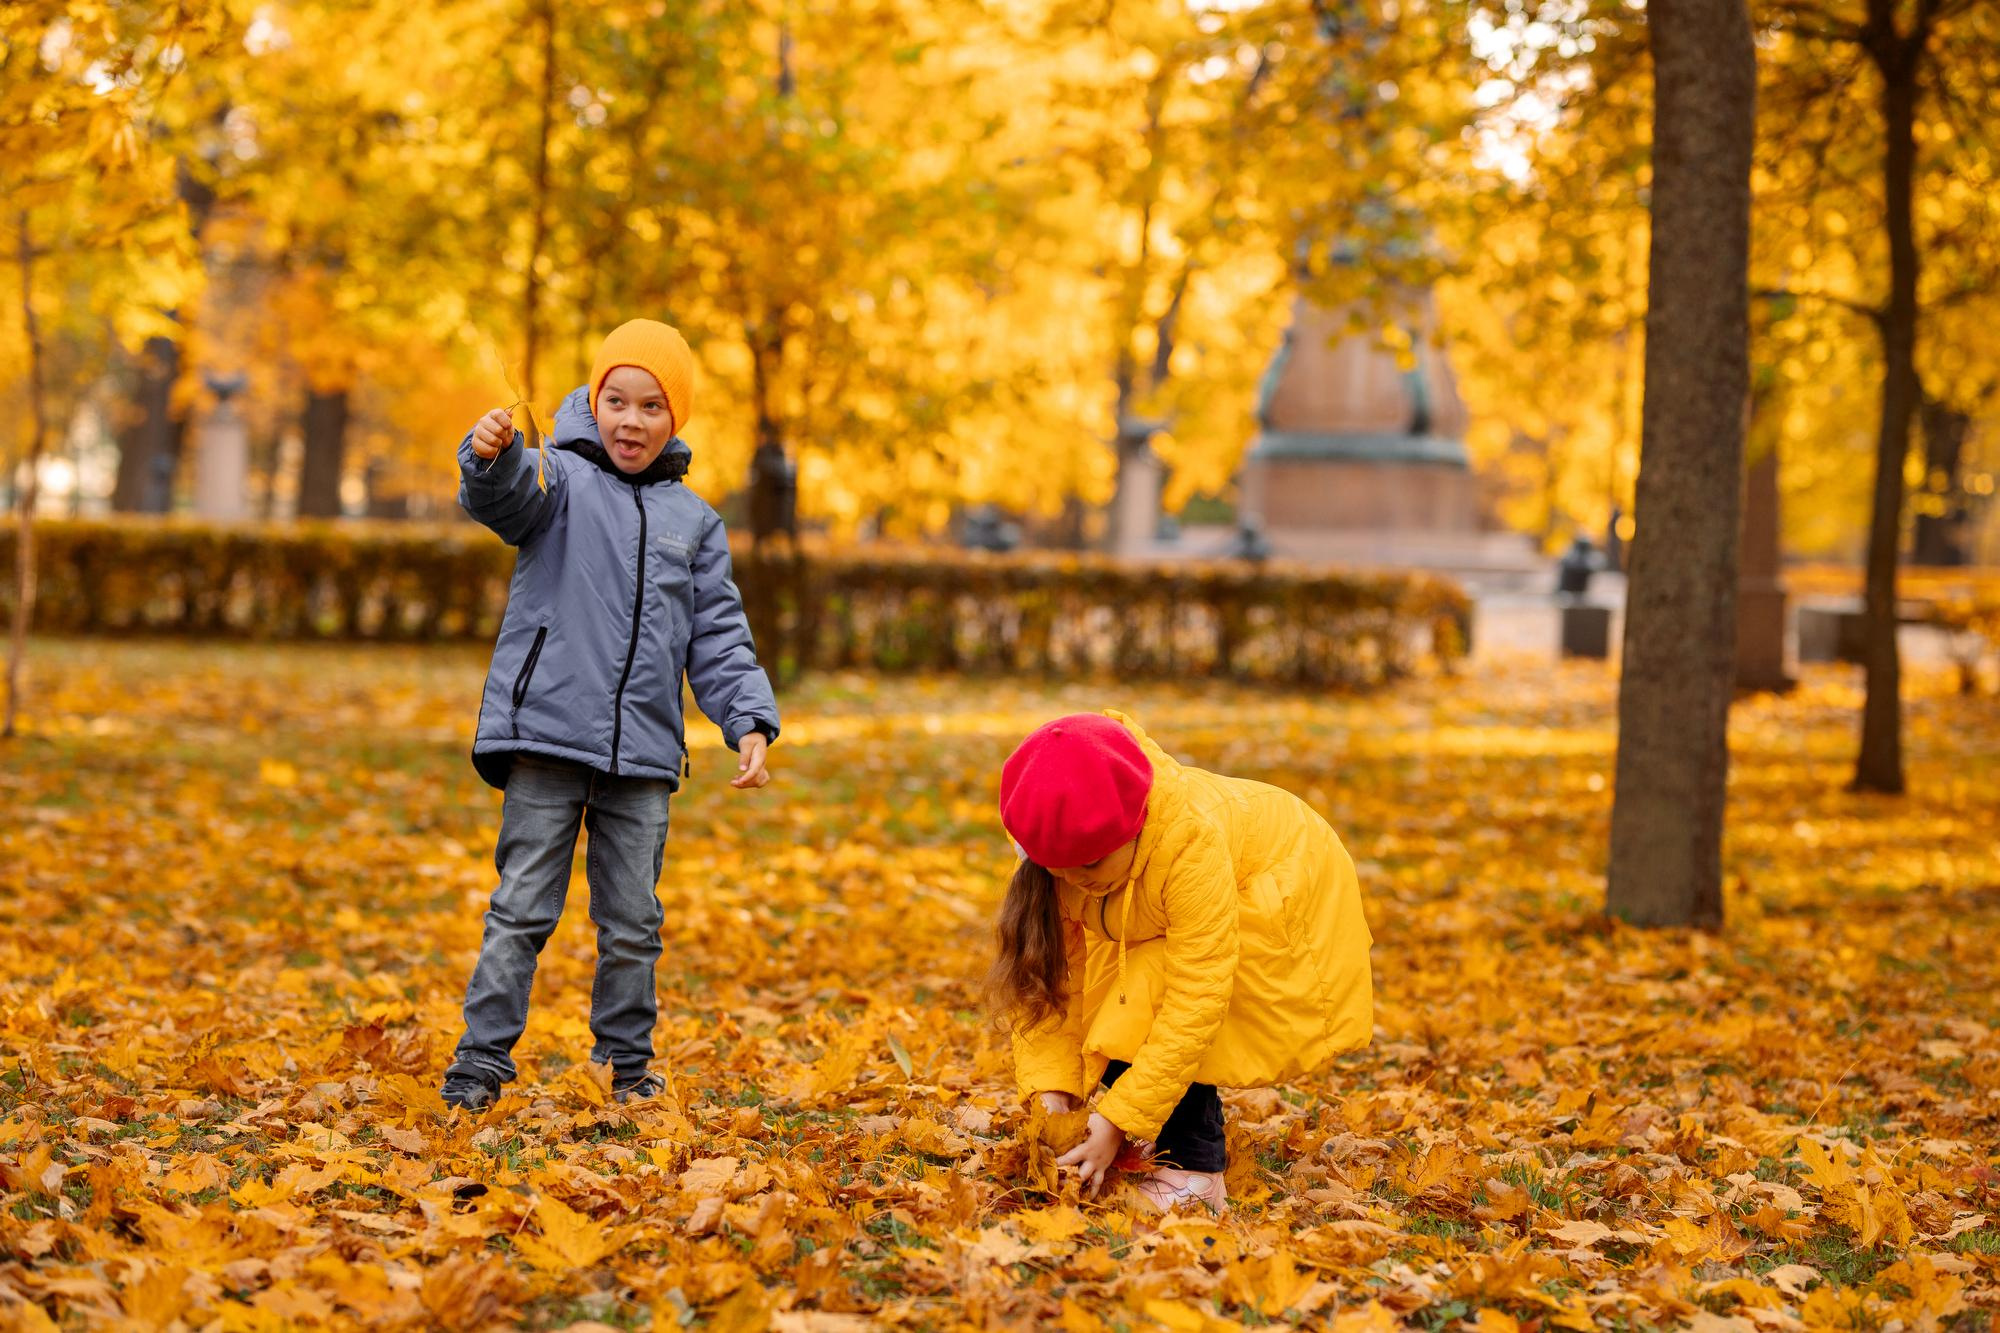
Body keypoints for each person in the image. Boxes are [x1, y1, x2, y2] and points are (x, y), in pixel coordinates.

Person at [440, 318, 778, 1110]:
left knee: (632, 922)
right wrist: (486, 452)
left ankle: (625, 1067)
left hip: (642, 761)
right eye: (617, 400)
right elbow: (499, 499)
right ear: (595, 400)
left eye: (653, 405)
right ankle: (480, 1060)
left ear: (676, 418)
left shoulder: (694, 522)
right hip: (547, 737)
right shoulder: (551, 476)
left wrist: (748, 718)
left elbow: (719, 634)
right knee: (521, 908)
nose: (632, 420)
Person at [988, 712, 1372, 1212]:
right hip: (1162, 908)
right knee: (1116, 997)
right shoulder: (1059, 856)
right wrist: (1052, 1092)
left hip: (1287, 881)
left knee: (1149, 990)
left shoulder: (1189, 847)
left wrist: (1119, 1119)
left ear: (1134, 826)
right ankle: (1156, 1130)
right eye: (1058, 870)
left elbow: (1196, 998)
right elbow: (1053, 982)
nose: (1076, 881)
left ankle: (1196, 1171)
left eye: (1089, 865)